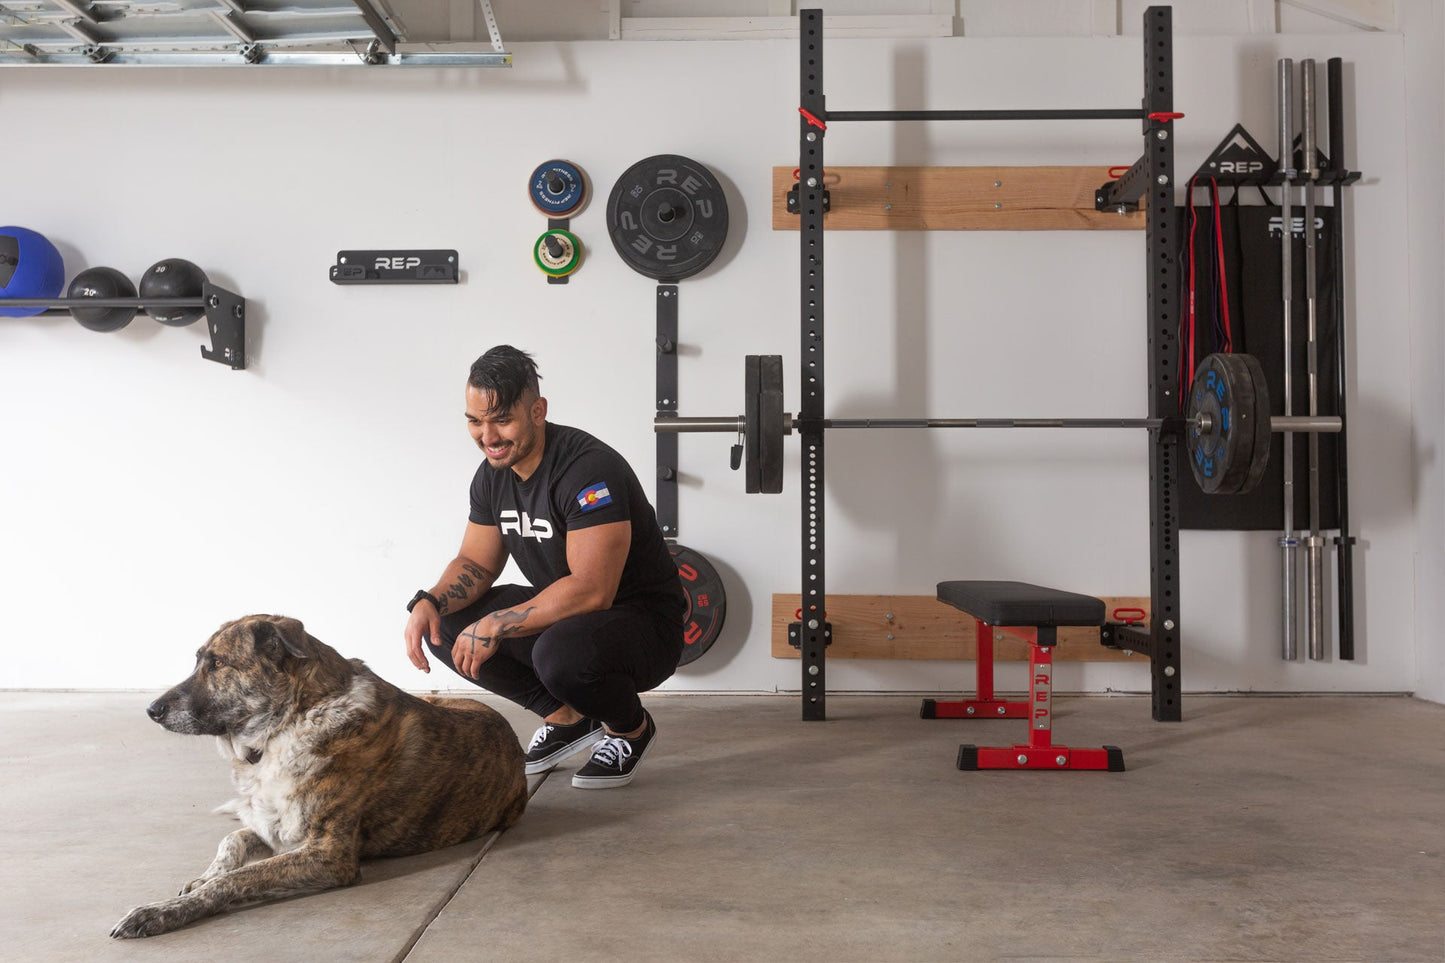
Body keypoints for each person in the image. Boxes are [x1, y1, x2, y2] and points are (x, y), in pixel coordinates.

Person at [403, 345, 686, 789]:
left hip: (644, 624)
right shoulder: (493, 474)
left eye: (501, 420)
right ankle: (569, 719)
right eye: (476, 421)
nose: (488, 436)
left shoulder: (588, 471)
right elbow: (476, 561)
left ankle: (630, 728)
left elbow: (594, 590)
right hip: (568, 618)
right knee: (448, 625)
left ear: (538, 410)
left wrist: (498, 622)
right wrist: (430, 600)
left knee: (558, 654)